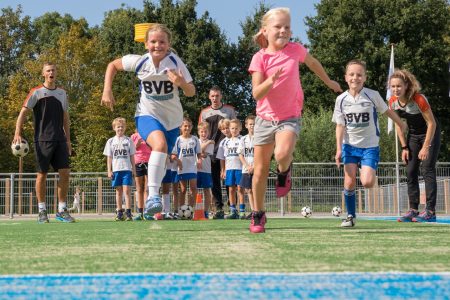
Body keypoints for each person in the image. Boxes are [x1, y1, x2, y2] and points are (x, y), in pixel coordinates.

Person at [248, 7, 342, 233]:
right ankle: (258, 215)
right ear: (265, 30)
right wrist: (271, 80)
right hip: (264, 119)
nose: (283, 31)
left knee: (281, 154)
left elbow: (313, 63)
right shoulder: (259, 58)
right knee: (259, 171)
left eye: (287, 27)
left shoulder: (295, 50)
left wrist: (328, 81)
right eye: (278, 27)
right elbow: (257, 94)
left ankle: (284, 170)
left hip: (289, 116)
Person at [101, 23, 195, 218]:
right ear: (145, 44)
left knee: (161, 160)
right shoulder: (140, 62)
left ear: (168, 44)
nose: (157, 45)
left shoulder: (175, 63)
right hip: (146, 115)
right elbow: (113, 65)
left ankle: (155, 193)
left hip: (172, 121)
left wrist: (181, 83)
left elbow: (191, 92)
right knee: (159, 145)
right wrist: (107, 90)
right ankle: (153, 197)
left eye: (162, 42)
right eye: (153, 41)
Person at [333, 59, 407, 228]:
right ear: (346, 77)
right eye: (351, 74)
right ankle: (350, 216)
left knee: (367, 182)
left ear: (364, 78)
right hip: (349, 146)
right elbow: (339, 125)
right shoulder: (341, 100)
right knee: (350, 181)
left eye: (359, 75)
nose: (355, 78)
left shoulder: (372, 95)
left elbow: (387, 111)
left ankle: (368, 169)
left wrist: (400, 123)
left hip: (369, 146)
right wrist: (338, 149)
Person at [13, 62, 75, 223]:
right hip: (42, 139)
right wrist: (17, 133)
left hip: (60, 139)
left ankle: (62, 210)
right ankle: (42, 211)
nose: (51, 72)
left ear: (56, 73)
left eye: (53, 70)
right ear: (43, 74)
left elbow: (66, 118)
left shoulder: (62, 93)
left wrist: (68, 140)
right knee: (42, 174)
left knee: (65, 173)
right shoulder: (36, 92)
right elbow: (23, 112)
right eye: (48, 70)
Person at [389, 69, 441, 223]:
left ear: (406, 86)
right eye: (393, 86)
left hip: (430, 133)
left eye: (399, 86)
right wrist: (404, 147)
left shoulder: (419, 99)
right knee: (410, 170)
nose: (396, 89)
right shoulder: (392, 102)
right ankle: (413, 209)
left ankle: (430, 211)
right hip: (413, 135)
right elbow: (399, 125)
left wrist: (425, 147)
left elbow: (431, 123)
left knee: (427, 169)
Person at [198, 86, 236, 218]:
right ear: (209, 97)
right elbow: (201, 132)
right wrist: (201, 151)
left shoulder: (229, 110)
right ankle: (219, 208)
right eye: (212, 96)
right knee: (214, 182)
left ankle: (233, 207)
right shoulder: (204, 112)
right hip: (211, 153)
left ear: (221, 96)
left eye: (217, 96)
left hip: (228, 152)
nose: (215, 98)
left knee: (229, 181)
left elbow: (234, 128)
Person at [103, 117, 136, 221]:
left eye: (122, 127)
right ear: (114, 128)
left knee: (127, 190)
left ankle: (128, 212)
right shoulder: (110, 141)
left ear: (125, 128)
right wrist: (109, 170)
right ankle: (119, 212)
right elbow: (109, 157)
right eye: (118, 127)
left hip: (126, 169)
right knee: (118, 191)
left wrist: (133, 169)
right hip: (116, 169)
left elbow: (132, 156)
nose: (120, 129)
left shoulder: (128, 140)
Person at [171, 117, 202, 208]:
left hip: (192, 167)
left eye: (189, 126)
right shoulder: (178, 140)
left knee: (193, 188)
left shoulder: (195, 139)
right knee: (183, 189)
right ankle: (182, 210)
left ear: (192, 127)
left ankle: (191, 209)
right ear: (180, 127)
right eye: (185, 126)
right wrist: (178, 161)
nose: (187, 128)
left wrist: (199, 160)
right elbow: (173, 155)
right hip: (182, 168)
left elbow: (199, 153)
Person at [131, 129, 152, 221]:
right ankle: (140, 212)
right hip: (137, 163)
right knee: (139, 188)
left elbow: (154, 148)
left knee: (147, 189)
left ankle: (147, 212)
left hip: (149, 162)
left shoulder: (150, 135)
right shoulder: (134, 136)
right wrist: (137, 144)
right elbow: (131, 150)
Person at [238, 115, 256, 219]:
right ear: (246, 125)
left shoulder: (259, 138)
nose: (252, 126)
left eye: (254, 124)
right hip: (246, 169)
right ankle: (253, 211)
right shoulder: (243, 139)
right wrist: (247, 166)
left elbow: (260, 154)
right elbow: (240, 154)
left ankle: (258, 210)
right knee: (248, 190)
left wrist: (254, 166)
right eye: (250, 124)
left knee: (256, 189)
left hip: (256, 168)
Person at [214, 118, 232, 219]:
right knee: (229, 187)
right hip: (228, 169)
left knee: (237, 189)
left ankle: (234, 208)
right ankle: (225, 209)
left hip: (238, 168)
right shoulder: (223, 142)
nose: (226, 130)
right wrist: (223, 170)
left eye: (227, 128)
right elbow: (222, 158)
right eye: (223, 129)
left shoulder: (240, 139)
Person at [197, 121, 215, 218]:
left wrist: (200, 152)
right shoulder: (195, 141)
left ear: (208, 132)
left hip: (206, 170)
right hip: (195, 170)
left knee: (206, 191)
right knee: (193, 190)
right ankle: (193, 210)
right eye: (202, 132)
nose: (204, 134)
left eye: (205, 132)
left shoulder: (212, 144)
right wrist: (207, 142)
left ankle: (205, 211)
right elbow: (200, 151)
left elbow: (202, 153)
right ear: (199, 132)